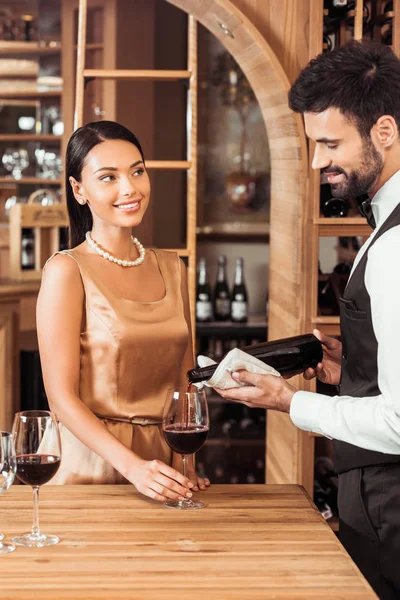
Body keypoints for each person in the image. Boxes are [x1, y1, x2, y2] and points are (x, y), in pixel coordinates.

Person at [216, 41, 400, 600]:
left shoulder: (394, 249)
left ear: (385, 132)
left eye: (329, 143)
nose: (318, 161)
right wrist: (356, 369)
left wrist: (286, 401)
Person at [37, 120, 210, 503]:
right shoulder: (66, 270)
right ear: (79, 190)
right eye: (108, 177)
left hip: (162, 464)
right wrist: (132, 467)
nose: (129, 188)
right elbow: (61, 399)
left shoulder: (173, 266)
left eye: (137, 171)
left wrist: (186, 461)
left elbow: (186, 379)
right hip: (89, 464)